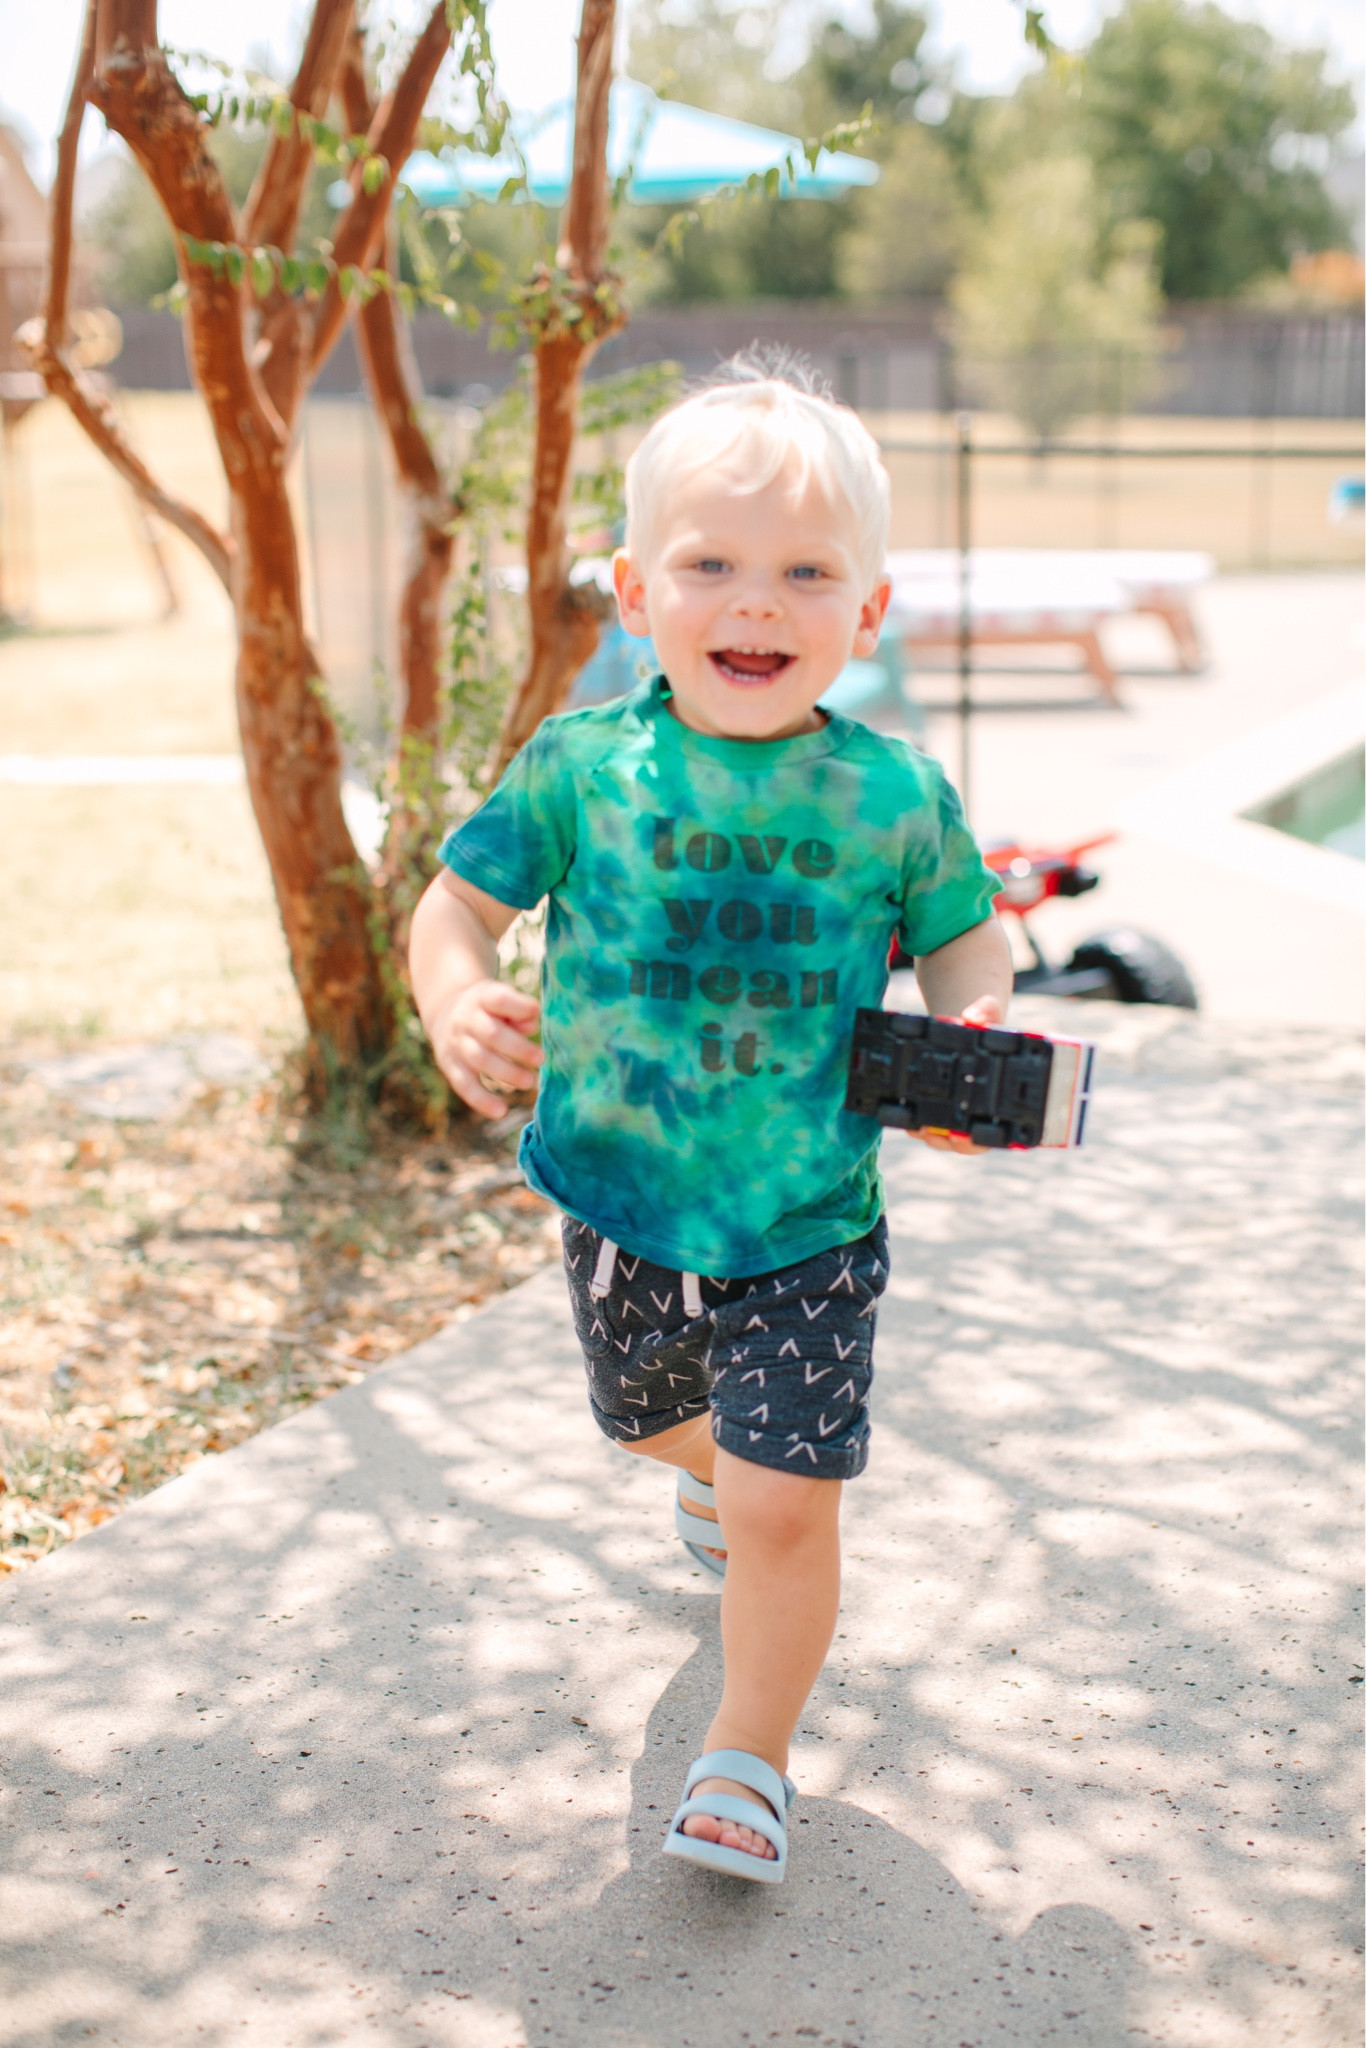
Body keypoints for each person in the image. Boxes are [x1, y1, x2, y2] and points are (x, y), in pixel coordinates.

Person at [408, 356, 1013, 1885]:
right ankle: (698, 1463)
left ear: (864, 615)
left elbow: (964, 938)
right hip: (618, 1196)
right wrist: (455, 991)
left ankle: (744, 1755)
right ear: (634, 592)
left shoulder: (893, 797)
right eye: (712, 565)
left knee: (783, 1503)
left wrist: (972, 1021)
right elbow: (453, 906)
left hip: (807, 1218)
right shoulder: (581, 766)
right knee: (649, 1422)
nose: (757, 603)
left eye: (807, 572)